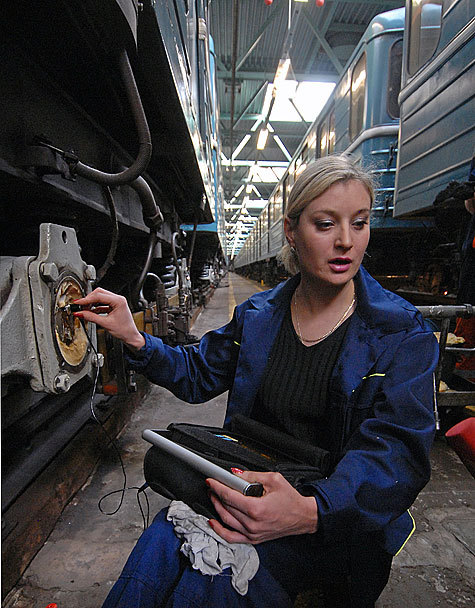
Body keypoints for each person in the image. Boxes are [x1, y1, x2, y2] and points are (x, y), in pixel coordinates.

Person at [74, 155, 438, 608]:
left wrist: (307, 511)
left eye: (359, 223)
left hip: (332, 517)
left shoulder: (401, 335)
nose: (346, 241)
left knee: (208, 579)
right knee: (162, 543)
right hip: (248, 486)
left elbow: (398, 458)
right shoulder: (259, 316)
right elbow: (196, 374)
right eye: (325, 224)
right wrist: (135, 338)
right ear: (291, 230)